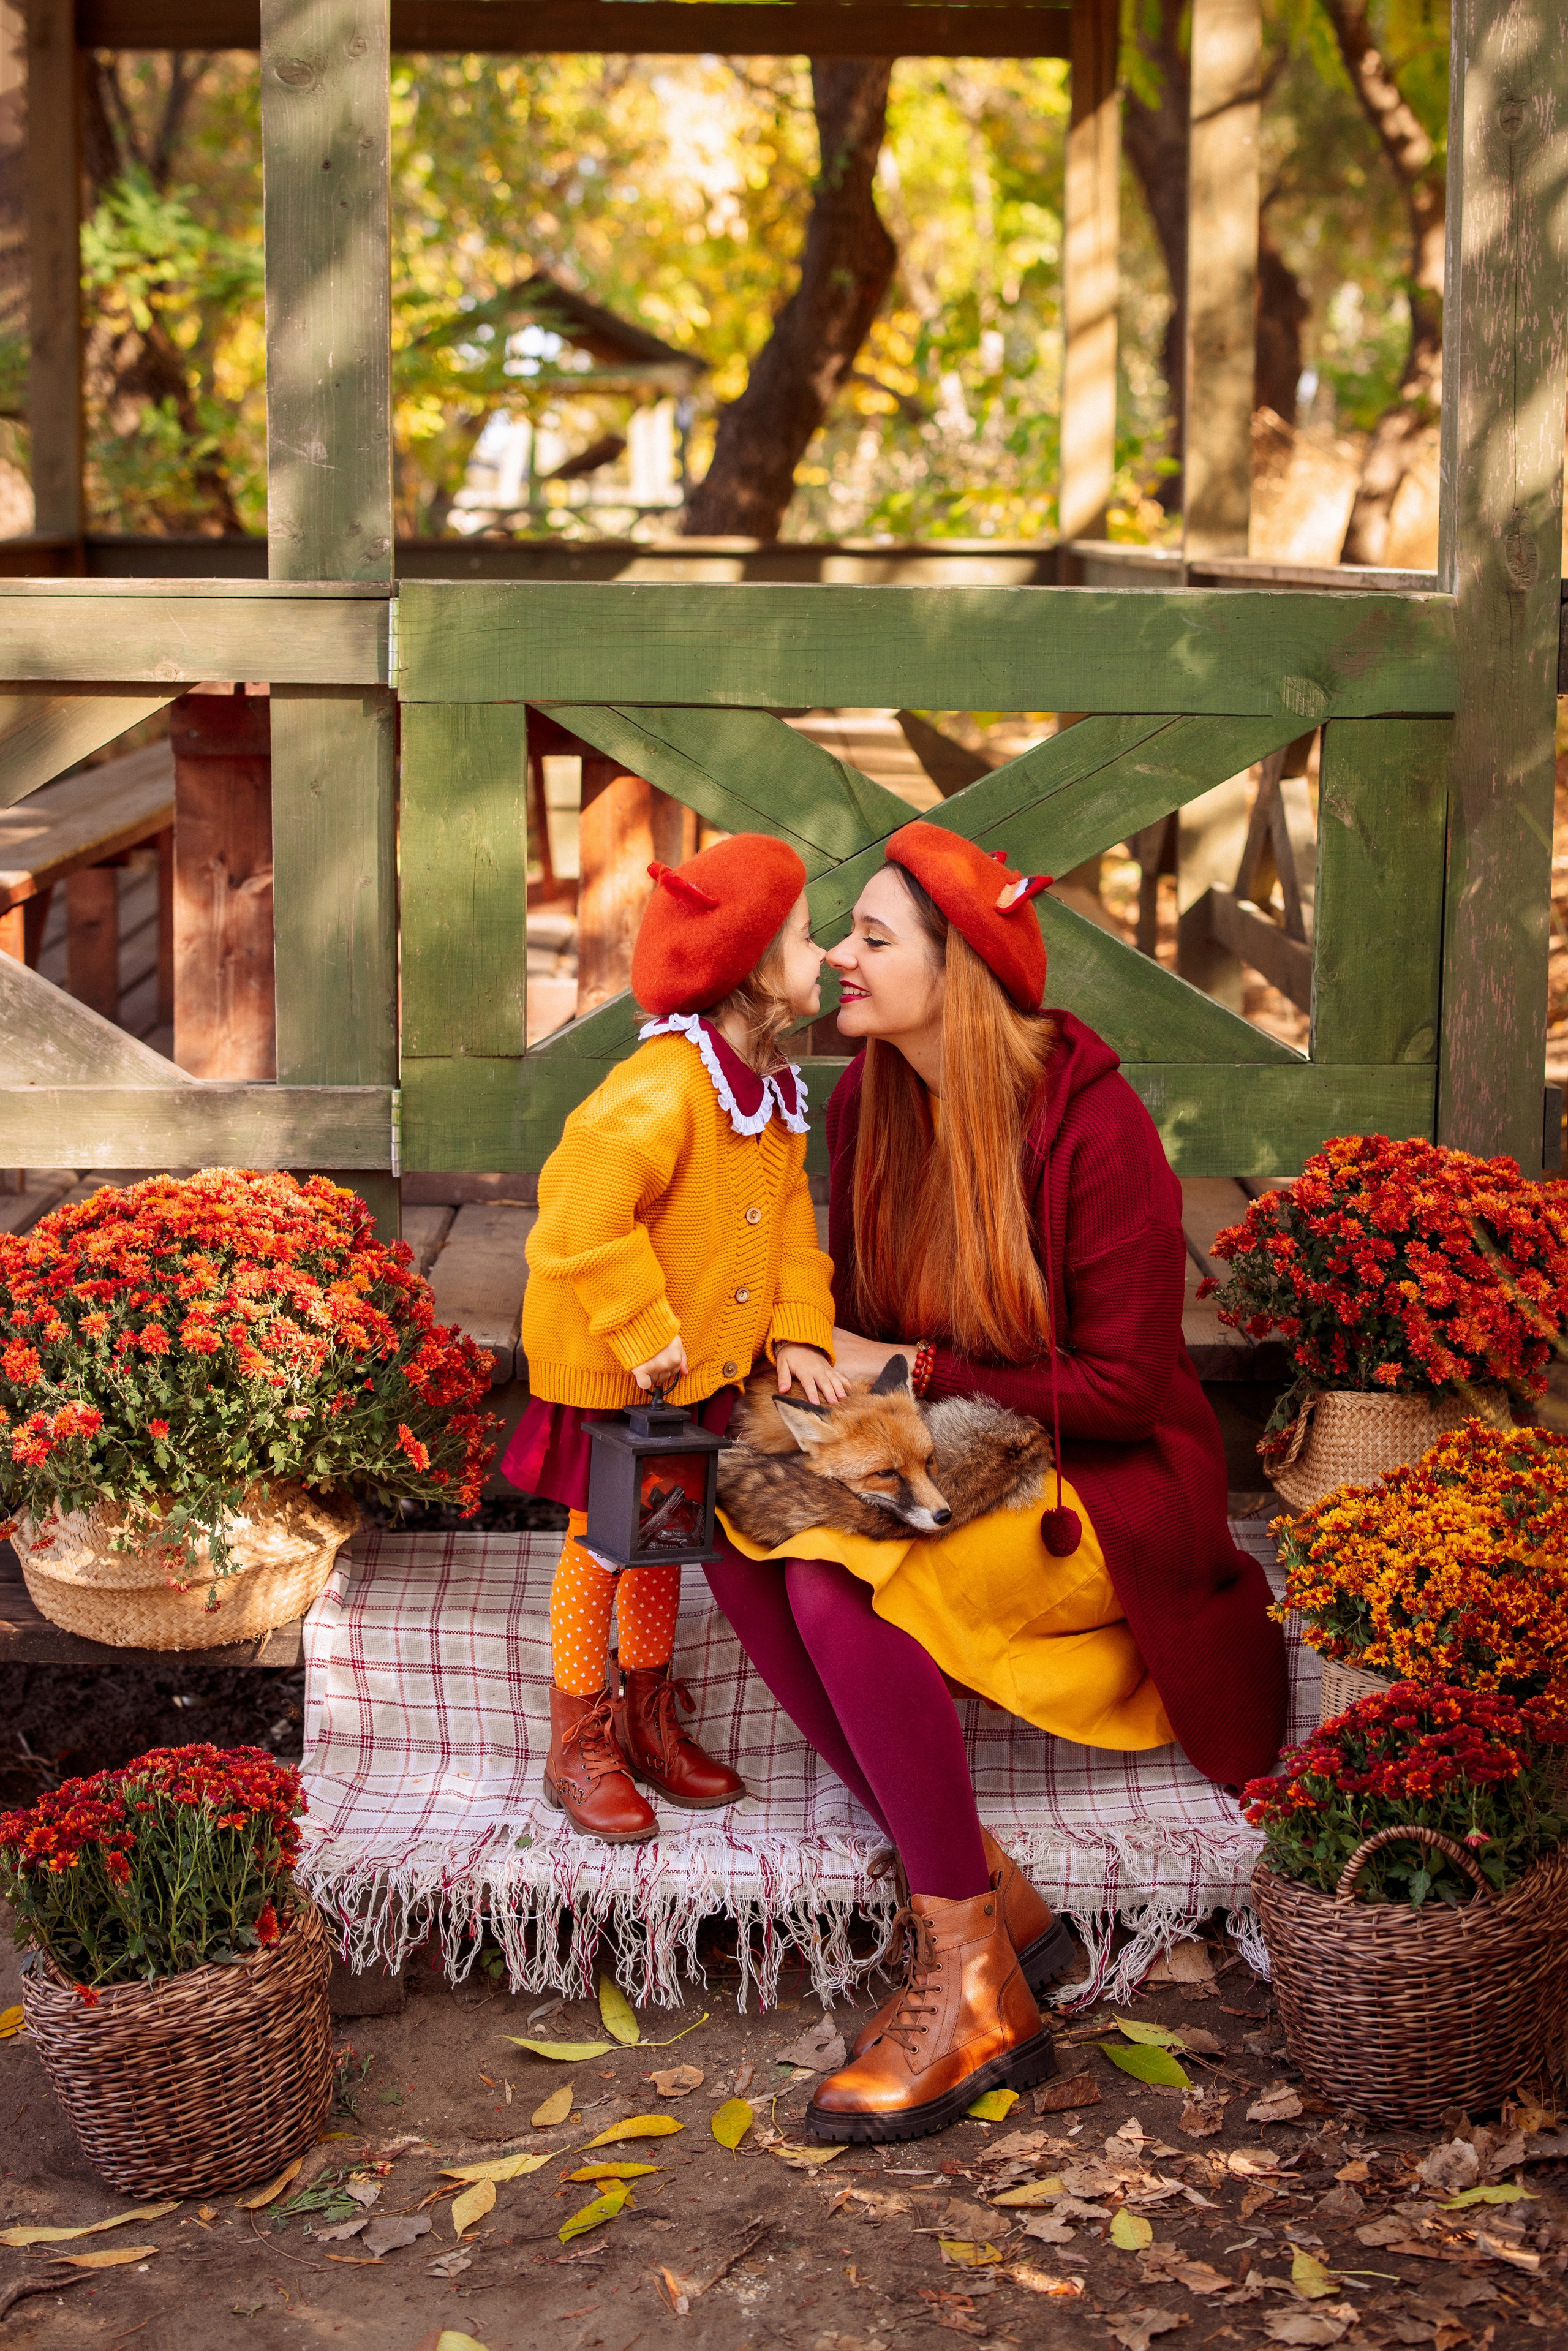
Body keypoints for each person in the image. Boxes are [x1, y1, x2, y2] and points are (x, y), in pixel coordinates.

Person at [707, 820, 1289, 2143]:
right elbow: (848, 1332)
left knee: (840, 1588)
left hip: (1105, 1482)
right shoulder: (866, 1103)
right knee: (738, 1529)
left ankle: (970, 1976)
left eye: (870, 938)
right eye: (842, 934)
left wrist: (908, 1357)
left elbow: (1126, 1393)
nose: (839, 961)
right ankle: (985, 1901)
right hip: (950, 1449)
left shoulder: (1092, 1124)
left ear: (954, 967)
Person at [505, 835, 845, 1844]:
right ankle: (579, 1734)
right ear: (750, 968)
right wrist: (641, 1324)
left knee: (663, 1540)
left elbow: (788, 1223)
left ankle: (649, 1714)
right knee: (598, 1544)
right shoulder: (664, 1087)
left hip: (690, 1370)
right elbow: (575, 1210)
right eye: (809, 937)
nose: (825, 956)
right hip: (619, 1363)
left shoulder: (772, 1091)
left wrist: (799, 1331)